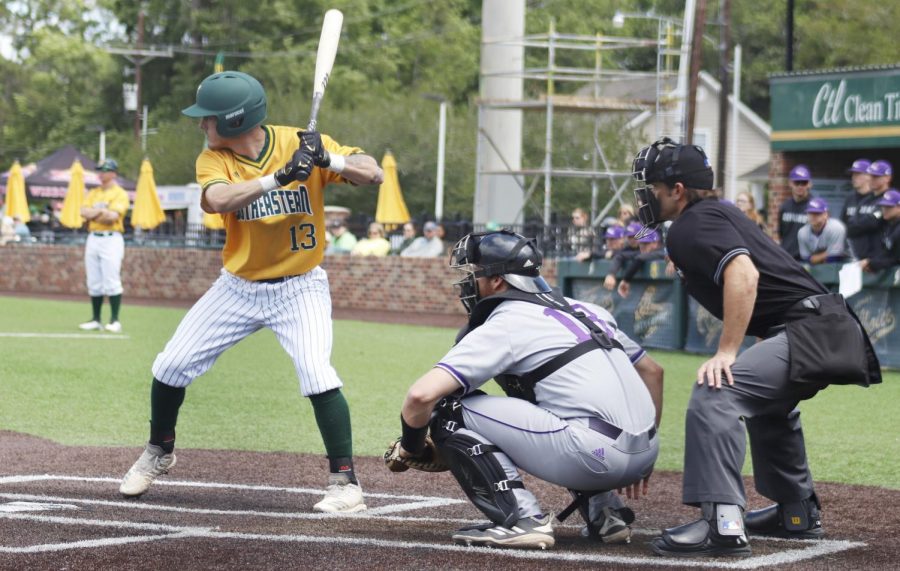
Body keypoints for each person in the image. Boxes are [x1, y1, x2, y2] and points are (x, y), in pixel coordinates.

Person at [119, 71, 384, 514]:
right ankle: (159, 451)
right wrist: (279, 178)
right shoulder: (213, 159)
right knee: (170, 365)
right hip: (238, 287)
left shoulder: (299, 141)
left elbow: (373, 173)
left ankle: (346, 484)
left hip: (300, 287)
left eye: (208, 119)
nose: (202, 126)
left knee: (317, 374)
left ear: (235, 121)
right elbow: (219, 200)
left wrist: (329, 162)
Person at [631, 137, 881, 557]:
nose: (644, 196)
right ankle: (796, 512)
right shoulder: (715, 213)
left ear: (676, 190)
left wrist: (727, 351)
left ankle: (722, 524)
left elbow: (745, 275)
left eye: (651, 187)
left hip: (811, 329)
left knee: (718, 389)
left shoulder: (692, 225)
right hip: (823, 327)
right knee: (765, 402)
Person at [392, 230, 663, 549]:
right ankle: (606, 513)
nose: (467, 283)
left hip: (593, 457)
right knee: (565, 402)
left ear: (496, 281)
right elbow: (652, 372)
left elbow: (421, 396)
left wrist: (411, 446)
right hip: (644, 453)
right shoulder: (587, 310)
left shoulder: (506, 320)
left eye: (473, 274)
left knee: (448, 408)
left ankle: (522, 519)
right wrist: (642, 446)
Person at [78, 158, 130, 333]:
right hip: (93, 237)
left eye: (105, 170)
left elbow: (112, 217)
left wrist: (95, 213)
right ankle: (96, 319)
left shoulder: (120, 193)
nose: (101, 173)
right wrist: (101, 211)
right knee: (93, 280)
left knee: (111, 279)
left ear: (113, 173)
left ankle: (115, 320)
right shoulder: (93, 193)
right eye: (99, 170)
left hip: (111, 238)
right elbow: (83, 212)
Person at [846, 160, 893, 260]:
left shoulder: (890, 198)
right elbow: (850, 226)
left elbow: (874, 221)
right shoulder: (865, 200)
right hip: (860, 257)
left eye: (876, 177)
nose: (872, 179)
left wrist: (862, 223)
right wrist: (865, 221)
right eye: (871, 176)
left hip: (881, 257)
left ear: (887, 178)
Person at [840, 158, 876, 259]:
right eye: (853, 174)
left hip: (872, 257)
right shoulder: (850, 199)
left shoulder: (876, 198)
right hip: (851, 255)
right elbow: (843, 225)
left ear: (869, 176)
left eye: (858, 174)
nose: (854, 178)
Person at [777, 164, 814, 261]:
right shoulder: (784, 206)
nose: (800, 186)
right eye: (797, 182)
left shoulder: (815, 207)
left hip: (807, 260)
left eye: (804, 183)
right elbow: (781, 233)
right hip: (786, 258)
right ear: (790, 183)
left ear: (810, 184)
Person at [616, 229, 666, 298]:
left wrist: (626, 280)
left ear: (655, 243)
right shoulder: (642, 252)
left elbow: (640, 258)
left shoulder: (662, 252)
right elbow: (621, 255)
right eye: (641, 243)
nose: (642, 246)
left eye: (646, 243)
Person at [860, 189, 900, 273]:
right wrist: (871, 262)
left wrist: (872, 263)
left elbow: (896, 259)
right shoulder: (890, 226)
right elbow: (888, 254)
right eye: (883, 206)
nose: (884, 209)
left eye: (889, 207)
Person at [797, 198, 847, 265]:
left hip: (846, 262)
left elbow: (834, 258)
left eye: (817, 213)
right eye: (810, 213)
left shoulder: (836, 228)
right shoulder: (802, 232)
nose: (813, 216)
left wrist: (815, 258)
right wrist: (827, 253)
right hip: (817, 267)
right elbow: (806, 259)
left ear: (826, 215)